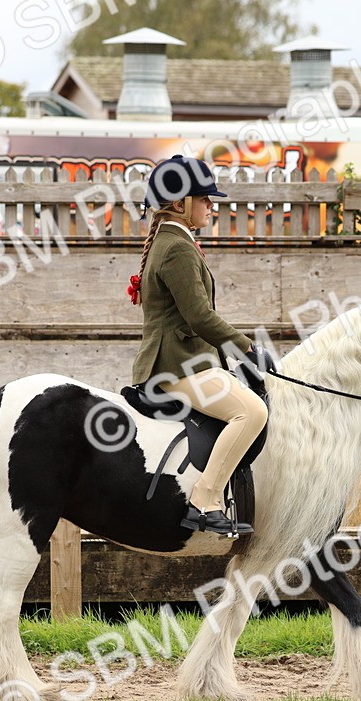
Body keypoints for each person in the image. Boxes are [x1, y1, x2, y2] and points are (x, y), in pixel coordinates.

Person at [129, 155, 270, 538]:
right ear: (179, 204)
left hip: (187, 361)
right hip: (175, 367)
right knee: (251, 412)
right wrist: (248, 349)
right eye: (204, 198)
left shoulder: (173, 241)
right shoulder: (177, 248)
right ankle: (204, 500)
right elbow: (199, 317)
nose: (212, 204)